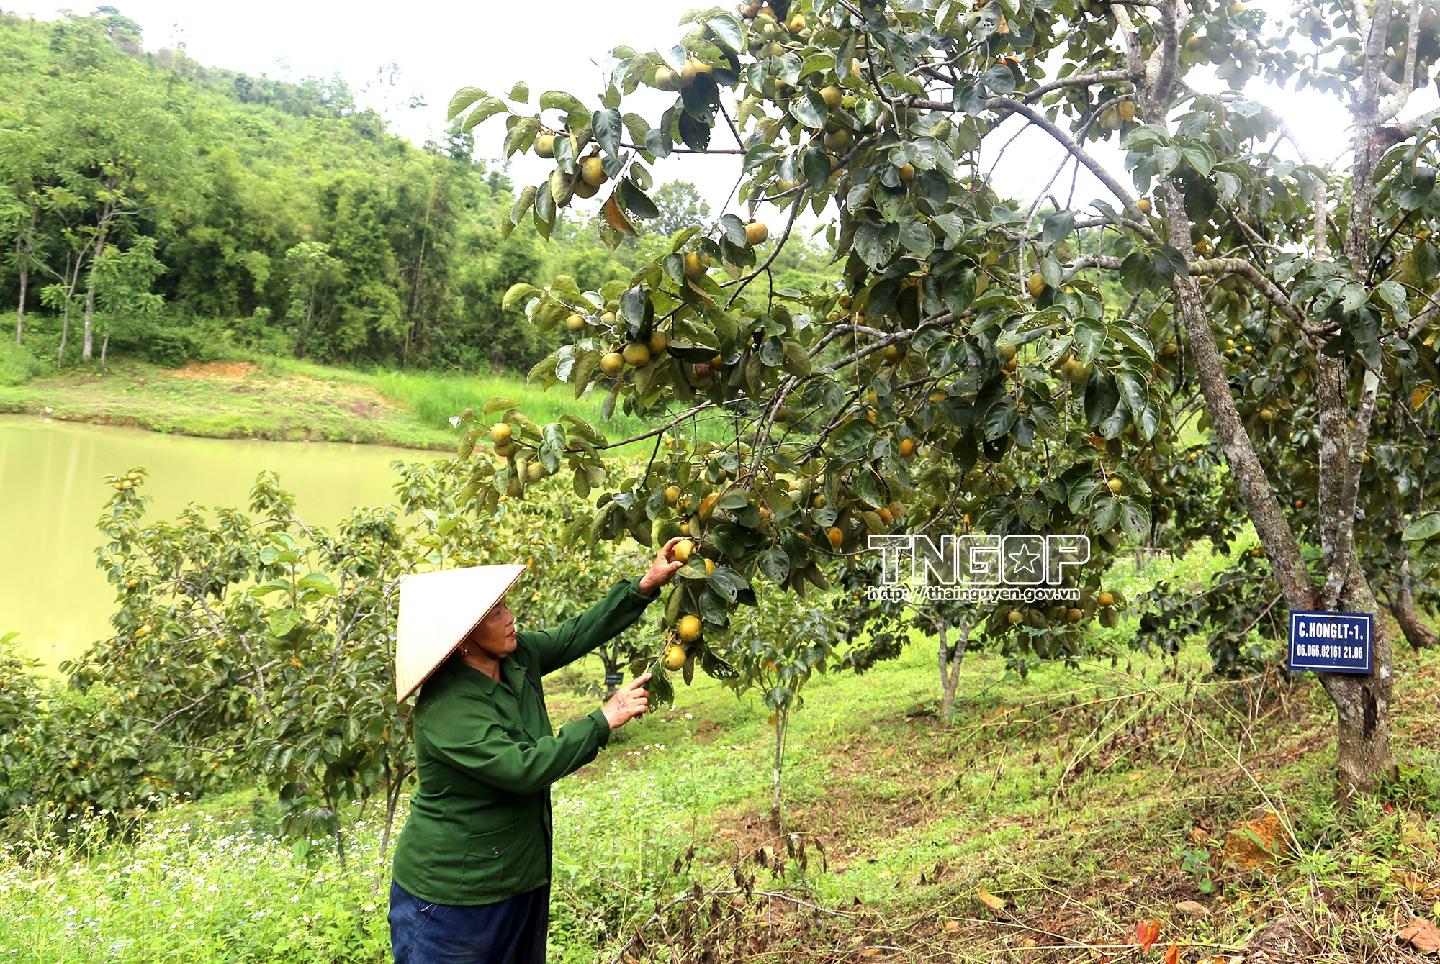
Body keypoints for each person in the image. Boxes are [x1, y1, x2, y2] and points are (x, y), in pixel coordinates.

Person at [387, 536, 687, 963]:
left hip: (519, 877)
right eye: (496, 613)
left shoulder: (516, 657)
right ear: (465, 637)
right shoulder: (447, 708)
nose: (510, 618)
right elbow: (523, 768)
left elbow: (575, 634)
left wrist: (644, 585)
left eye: (506, 606)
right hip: (452, 901)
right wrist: (602, 719)